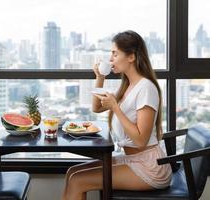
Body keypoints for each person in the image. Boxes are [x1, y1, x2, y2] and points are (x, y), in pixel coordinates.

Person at [61, 30, 172, 200]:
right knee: (72, 172)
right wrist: (100, 77)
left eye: (114, 53)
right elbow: (96, 107)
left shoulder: (146, 88)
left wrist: (116, 108)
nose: (110, 59)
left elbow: (141, 140)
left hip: (149, 166)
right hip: (131, 159)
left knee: (77, 180)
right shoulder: (128, 86)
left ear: (131, 57)